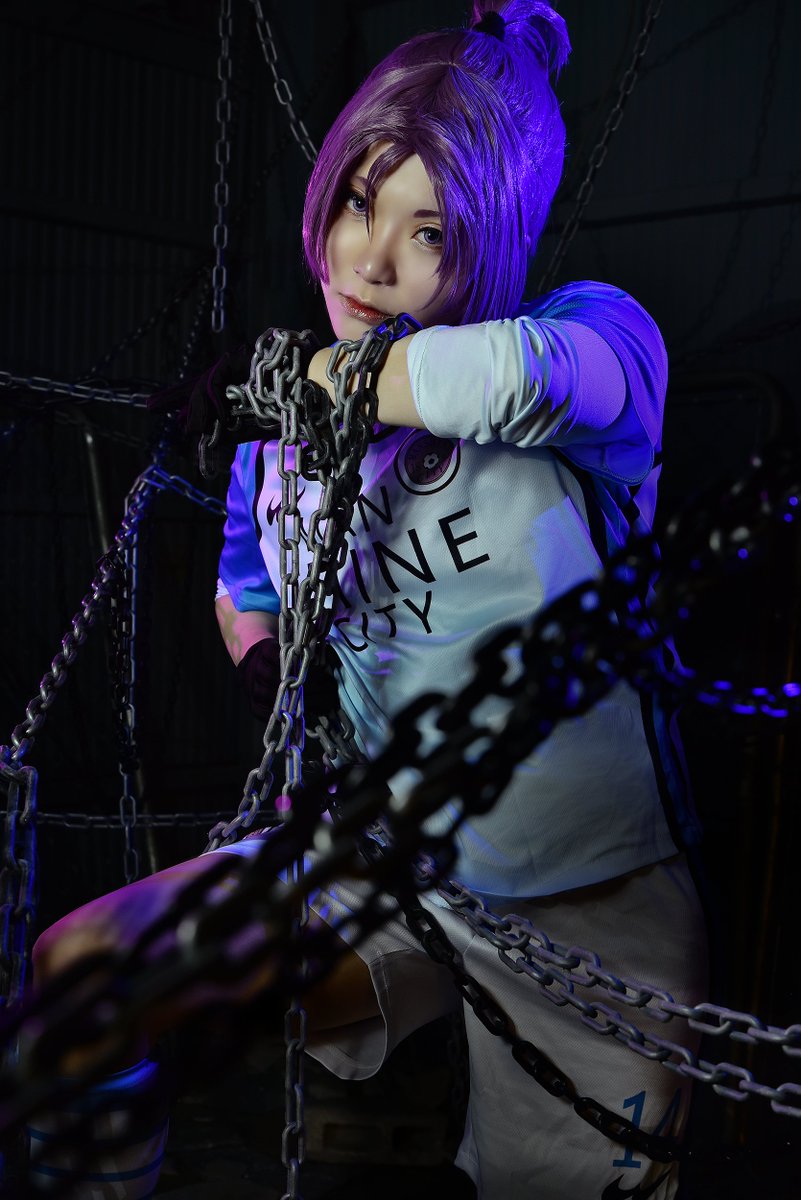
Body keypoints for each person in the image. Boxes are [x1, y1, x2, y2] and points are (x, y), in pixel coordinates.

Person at [30, 3, 708, 1198]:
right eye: (358, 201)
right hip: (381, 858)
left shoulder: (600, 342)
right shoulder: (276, 440)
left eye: (429, 231)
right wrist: (263, 664)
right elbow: (246, 583)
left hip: (587, 892)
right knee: (81, 980)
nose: (369, 261)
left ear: (492, 239)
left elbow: (504, 381)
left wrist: (294, 377)